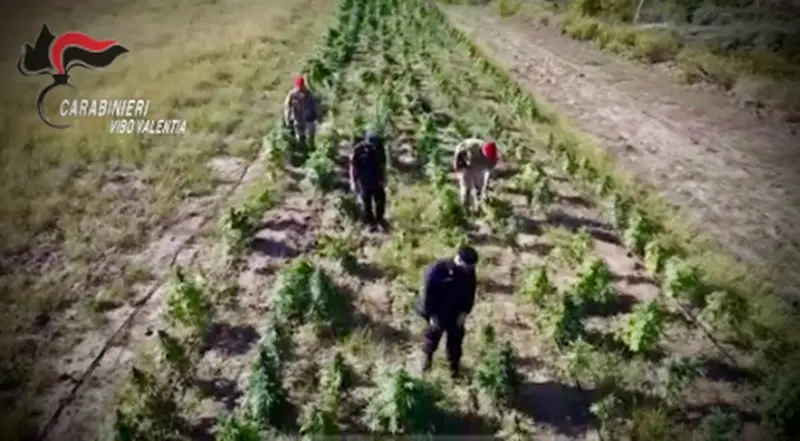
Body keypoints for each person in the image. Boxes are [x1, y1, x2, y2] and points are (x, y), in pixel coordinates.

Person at [415, 245, 479, 379]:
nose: (469, 269)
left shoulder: (469, 271)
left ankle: (454, 369)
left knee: (456, 339)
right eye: (467, 266)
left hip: (456, 310)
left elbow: (470, 292)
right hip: (437, 309)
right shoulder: (437, 270)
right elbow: (427, 295)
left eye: (471, 267)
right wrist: (431, 315)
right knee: (433, 335)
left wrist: (464, 312)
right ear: (458, 259)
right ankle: (426, 364)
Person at [349, 131, 388, 232]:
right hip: (364, 179)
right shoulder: (358, 150)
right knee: (367, 203)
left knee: (381, 200)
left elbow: (383, 164)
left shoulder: (380, 149)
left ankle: (379, 219)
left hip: (377, 178)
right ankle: (371, 224)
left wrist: (384, 177)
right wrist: (353, 182)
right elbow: (353, 167)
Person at [452, 138, 500, 212]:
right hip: (466, 163)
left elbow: (487, 174)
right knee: (466, 187)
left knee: (479, 186)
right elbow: (458, 152)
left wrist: (484, 188)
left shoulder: (493, 158)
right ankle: (465, 208)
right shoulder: (471, 148)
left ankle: (480, 205)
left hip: (477, 164)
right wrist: (457, 165)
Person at [282, 76, 320, 147]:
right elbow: (287, 107)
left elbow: (314, 105)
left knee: (310, 137)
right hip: (297, 119)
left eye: (301, 86)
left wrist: (316, 115)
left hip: (308, 118)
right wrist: (287, 119)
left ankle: (311, 149)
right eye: (299, 87)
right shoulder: (292, 95)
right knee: (299, 138)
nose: (300, 88)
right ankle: (302, 149)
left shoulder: (308, 93)